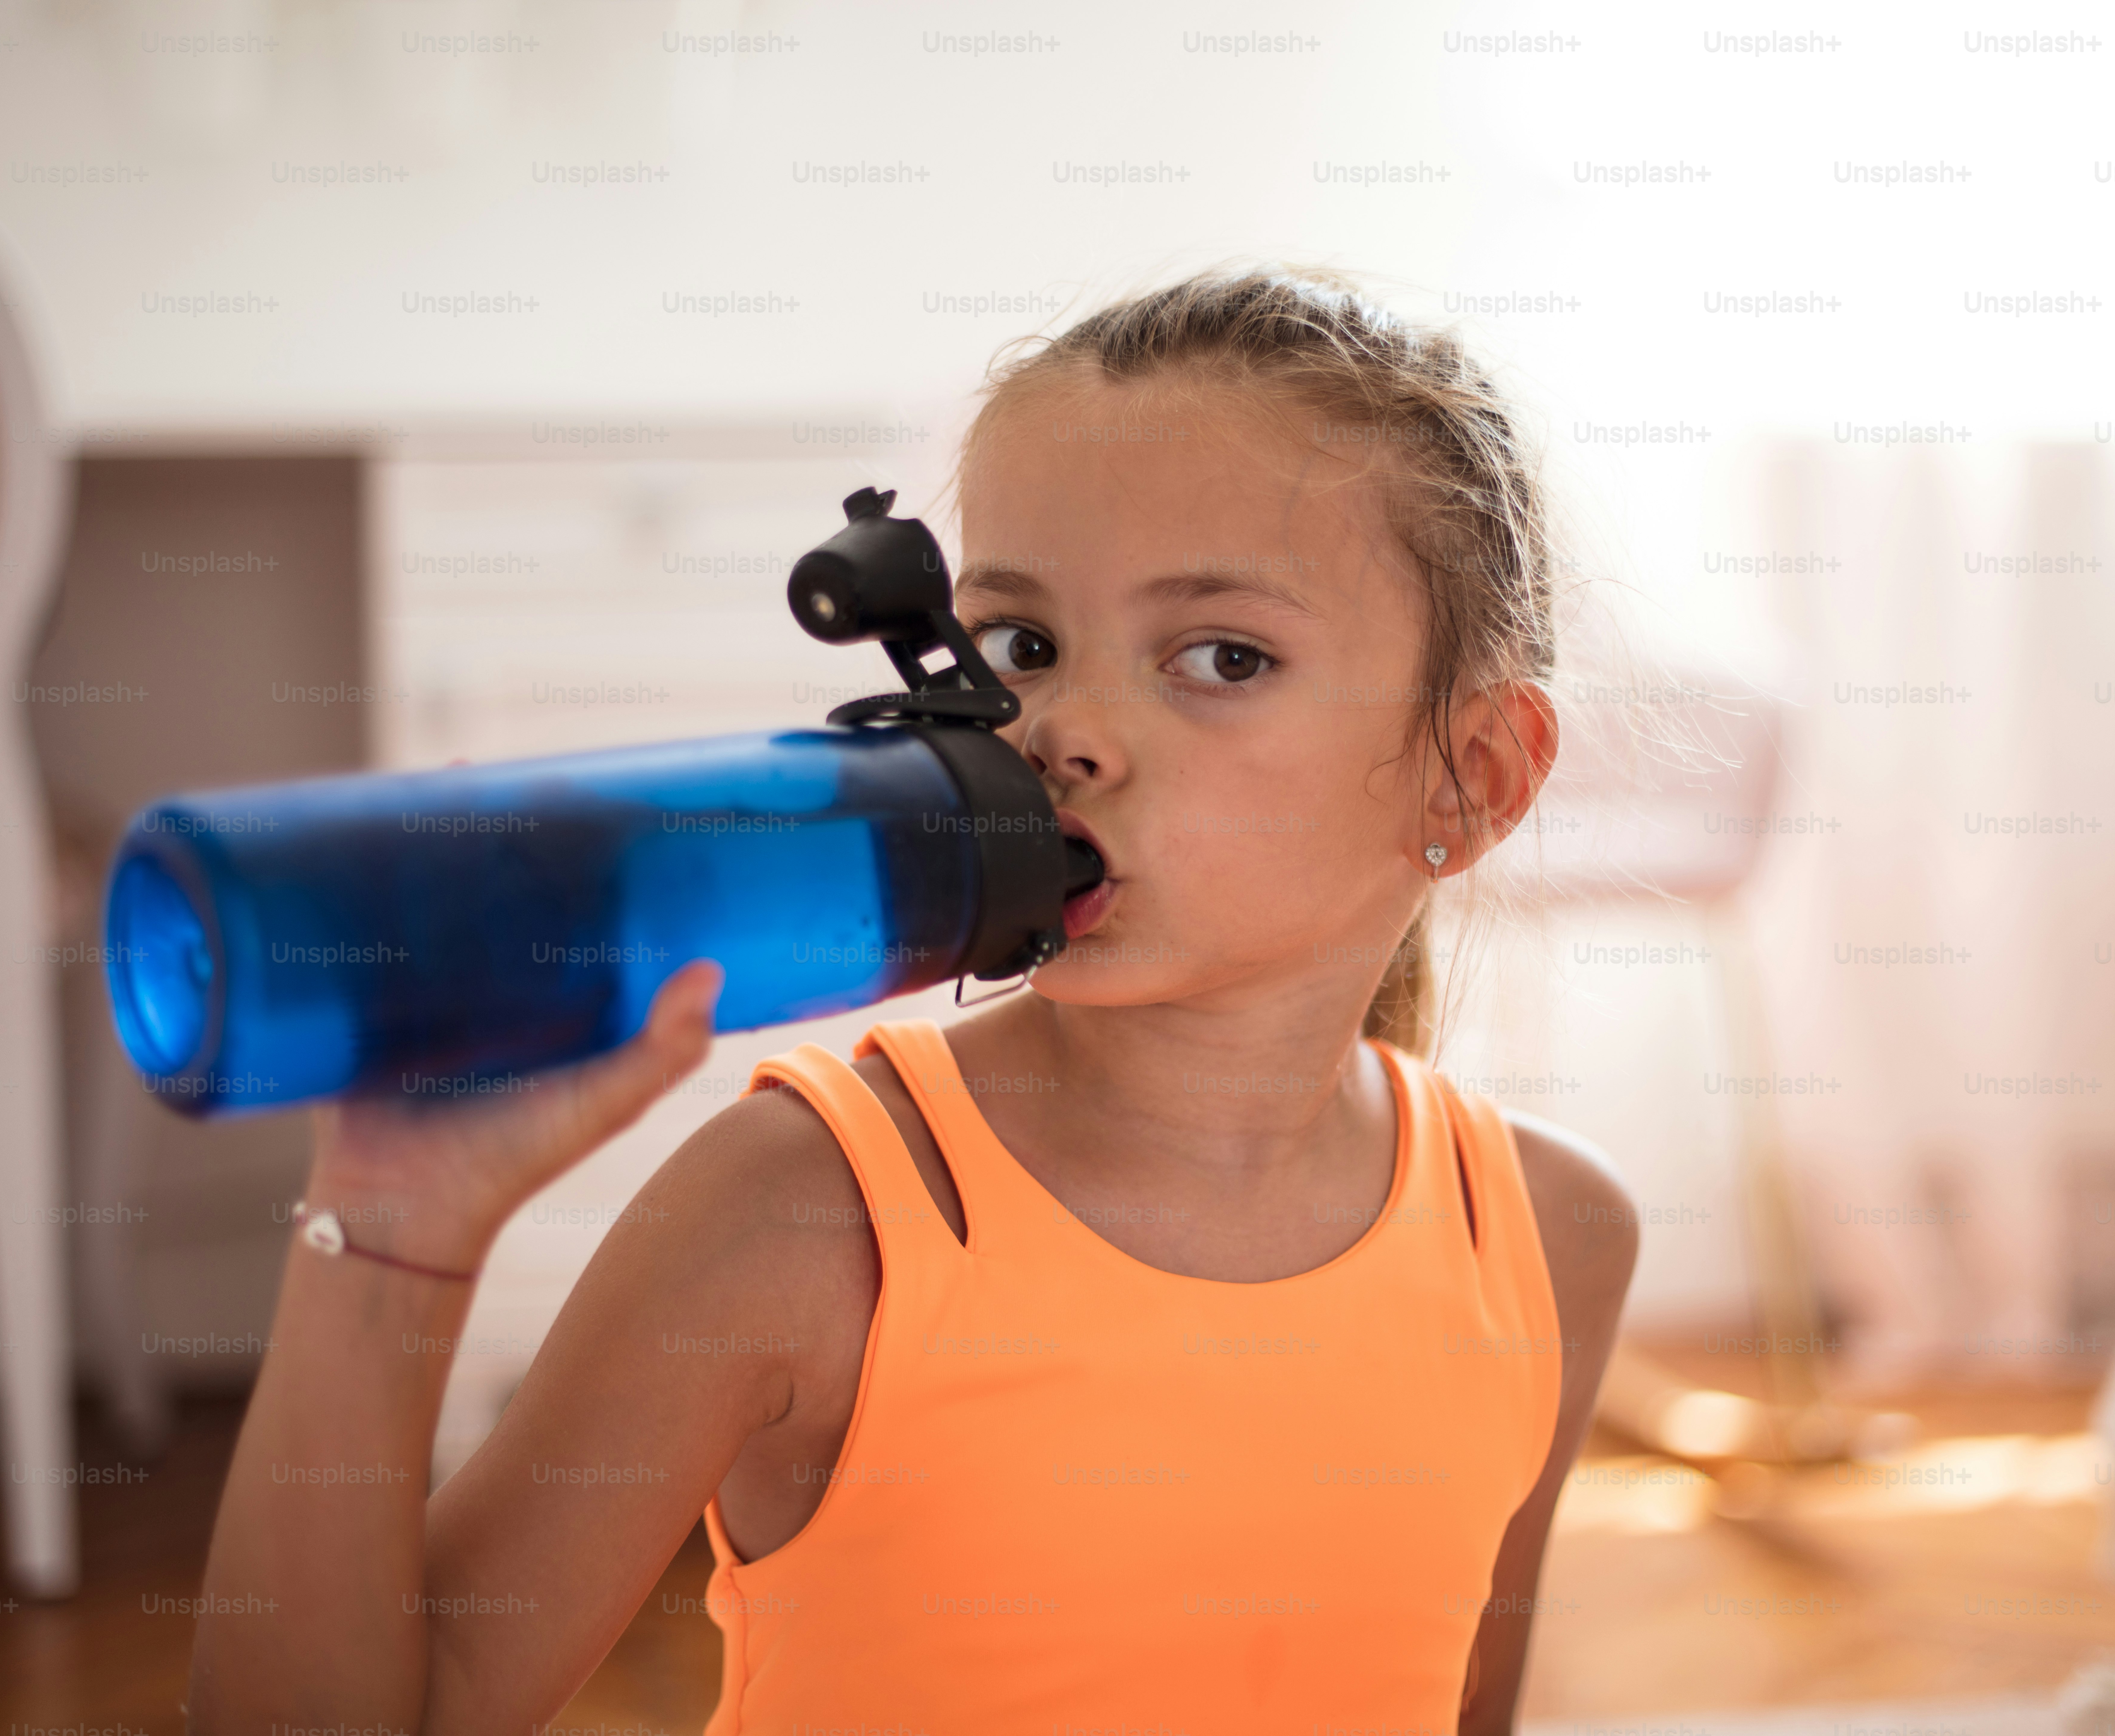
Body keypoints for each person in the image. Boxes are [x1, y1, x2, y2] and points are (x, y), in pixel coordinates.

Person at [188, 267, 1641, 1735]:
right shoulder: (805, 1213)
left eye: (1221, 657)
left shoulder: (1542, 1233)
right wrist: (388, 1234)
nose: (1064, 730)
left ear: (1476, 775)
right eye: (1019, 645)